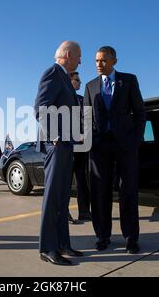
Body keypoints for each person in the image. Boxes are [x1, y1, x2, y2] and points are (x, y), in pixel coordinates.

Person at [84, 46, 146, 254]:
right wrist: (88, 140)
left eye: (103, 60)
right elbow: (85, 117)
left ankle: (131, 238)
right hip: (99, 147)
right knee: (100, 193)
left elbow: (139, 112)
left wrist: (135, 140)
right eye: (96, 61)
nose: (98, 65)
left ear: (114, 61)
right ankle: (102, 236)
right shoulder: (90, 86)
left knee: (128, 191)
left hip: (125, 146)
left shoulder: (128, 80)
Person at [35, 41, 84, 266]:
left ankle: (63, 243)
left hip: (67, 144)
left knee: (63, 199)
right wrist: (54, 136)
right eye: (78, 56)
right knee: (53, 198)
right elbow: (41, 106)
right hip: (57, 145)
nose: (81, 61)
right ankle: (48, 248)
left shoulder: (64, 77)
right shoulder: (53, 73)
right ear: (67, 54)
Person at [69, 71, 91, 222]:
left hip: (81, 148)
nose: (80, 83)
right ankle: (62, 212)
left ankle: (84, 212)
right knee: (63, 182)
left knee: (83, 180)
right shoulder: (61, 100)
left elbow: (88, 120)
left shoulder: (83, 100)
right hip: (65, 147)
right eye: (77, 80)